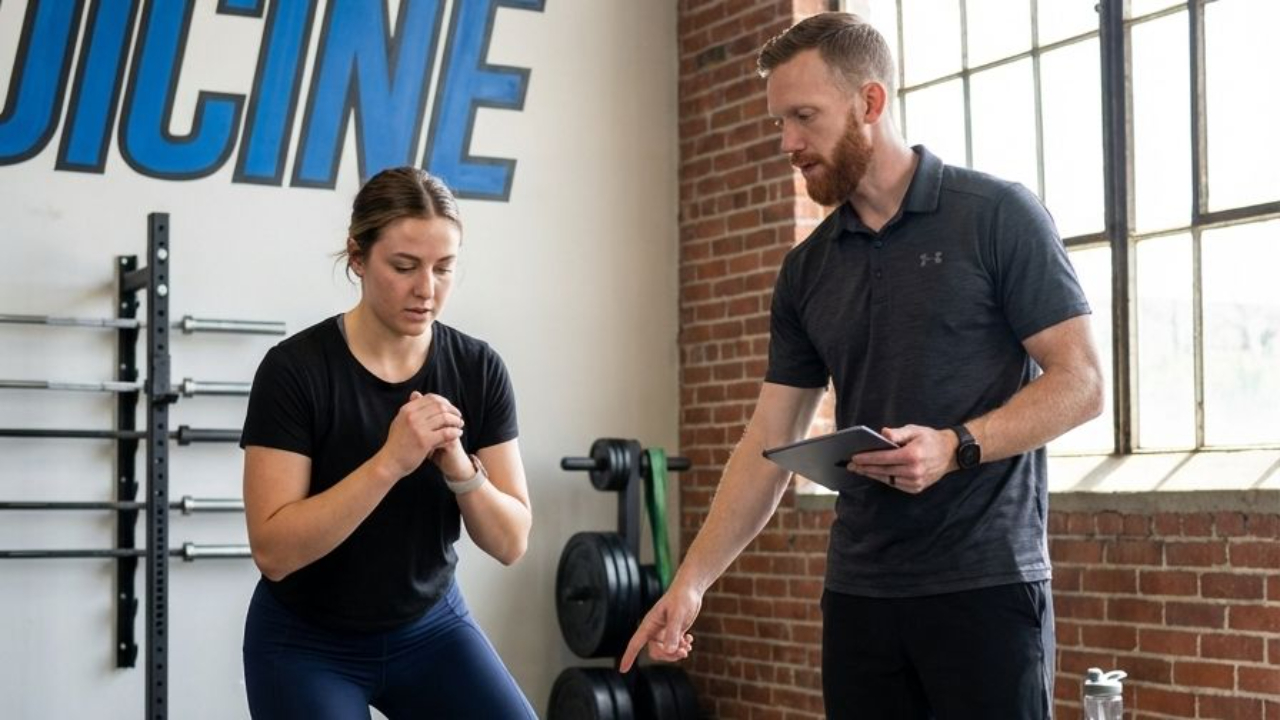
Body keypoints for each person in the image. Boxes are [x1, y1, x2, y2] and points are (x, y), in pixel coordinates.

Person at [621, 12, 1104, 719]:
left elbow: (1082, 384)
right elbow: (769, 443)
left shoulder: (997, 215)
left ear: (870, 104)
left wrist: (954, 446)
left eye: (804, 117)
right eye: (779, 121)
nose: (788, 142)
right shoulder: (807, 271)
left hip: (985, 585)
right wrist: (691, 583)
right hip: (861, 594)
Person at [239, 167, 537, 719]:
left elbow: (511, 541)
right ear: (357, 256)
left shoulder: (476, 368)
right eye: (404, 267)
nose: (427, 289)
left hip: (431, 627)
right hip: (307, 643)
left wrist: (460, 470)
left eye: (444, 268)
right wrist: (390, 462)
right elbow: (274, 552)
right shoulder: (296, 370)